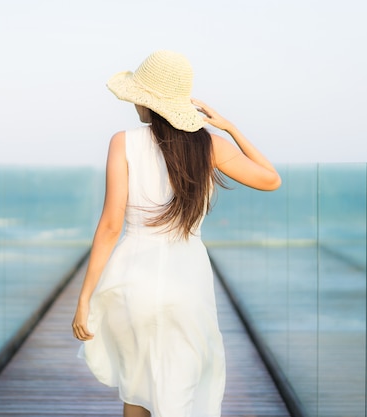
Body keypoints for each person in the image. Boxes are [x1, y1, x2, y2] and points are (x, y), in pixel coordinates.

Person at [72, 50, 281, 417]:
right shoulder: (211, 146)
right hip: (188, 282)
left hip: (131, 280)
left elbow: (109, 226)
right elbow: (271, 179)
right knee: (182, 393)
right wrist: (230, 128)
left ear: (148, 101)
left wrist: (85, 297)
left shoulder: (123, 142)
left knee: (137, 389)